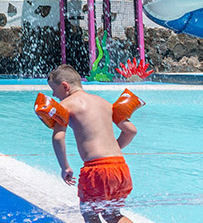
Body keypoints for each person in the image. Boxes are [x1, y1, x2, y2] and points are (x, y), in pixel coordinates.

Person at [45, 64, 137, 223]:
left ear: (65, 86)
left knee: (90, 214)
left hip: (97, 170)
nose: (53, 95)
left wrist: (65, 167)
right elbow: (131, 131)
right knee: (112, 214)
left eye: (54, 89)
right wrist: (115, 147)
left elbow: (58, 138)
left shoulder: (66, 105)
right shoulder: (104, 103)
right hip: (120, 167)